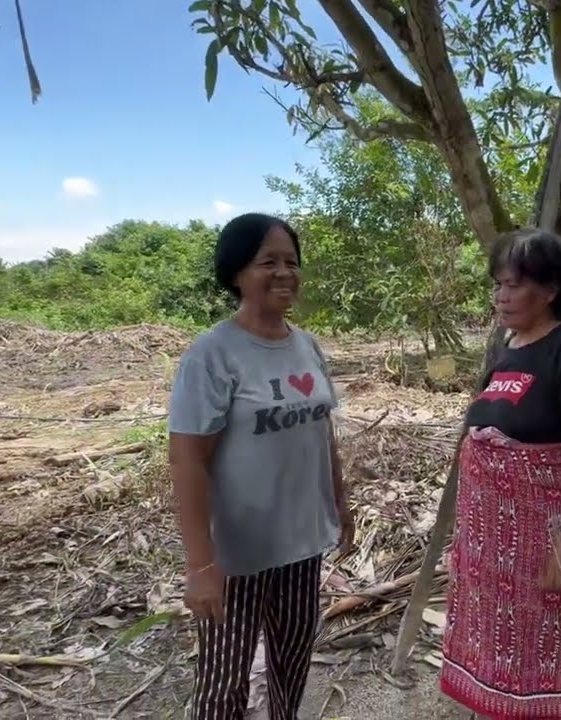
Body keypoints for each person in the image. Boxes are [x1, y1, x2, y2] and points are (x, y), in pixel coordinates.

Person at [167, 212, 355, 720]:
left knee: (291, 667)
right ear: (235, 273)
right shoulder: (213, 355)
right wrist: (201, 565)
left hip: (301, 544)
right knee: (222, 682)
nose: (284, 273)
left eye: (291, 262)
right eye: (267, 261)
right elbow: (187, 460)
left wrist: (340, 501)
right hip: (237, 555)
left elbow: (322, 429)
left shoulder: (306, 346)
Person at [439, 228, 561, 719]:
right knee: (493, 641)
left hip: (540, 541)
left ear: (552, 288)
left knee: (542, 642)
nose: (501, 296)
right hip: (487, 548)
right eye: (498, 284)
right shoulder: (508, 348)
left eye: (515, 285)